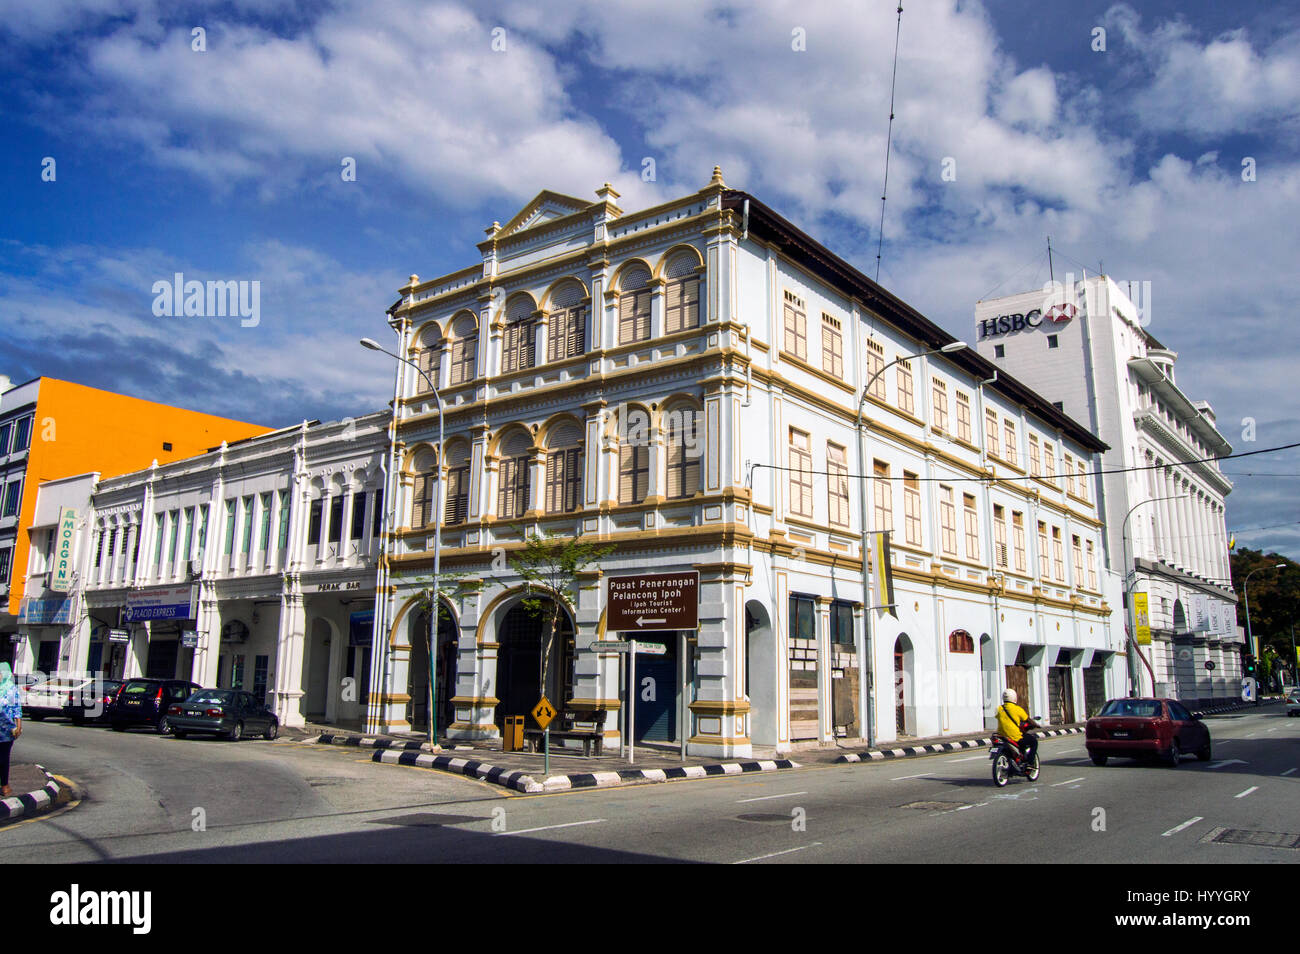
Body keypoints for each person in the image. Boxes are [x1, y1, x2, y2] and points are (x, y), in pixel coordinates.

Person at [995, 688, 1039, 766]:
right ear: (1014, 698)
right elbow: (1028, 720)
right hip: (1014, 737)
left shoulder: (998, 709)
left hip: (1001, 736)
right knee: (1033, 742)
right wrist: (1036, 725)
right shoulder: (1017, 709)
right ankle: (1030, 763)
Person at [0, 662, 22, 798]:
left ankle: (5, 785)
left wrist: (18, 726)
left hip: (6, 731)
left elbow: (17, 709)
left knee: (3, 758)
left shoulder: (11, 689)